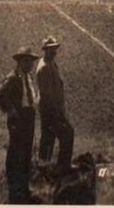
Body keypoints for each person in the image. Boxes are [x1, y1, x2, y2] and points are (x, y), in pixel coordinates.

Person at [0, 46, 41, 204]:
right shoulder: (13, 77)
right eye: (27, 61)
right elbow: (0, 95)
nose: (30, 64)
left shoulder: (27, 77)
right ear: (20, 61)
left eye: (31, 61)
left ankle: (24, 190)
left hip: (28, 117)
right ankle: (15, 193)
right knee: (17, 154)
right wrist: (12, 110)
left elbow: (30, 97)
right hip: (19, 119)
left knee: (26, 154)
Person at [36, 36, 75, 174]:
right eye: (51, 49)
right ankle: (62, 166)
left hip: (52, 109)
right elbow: (47, 95)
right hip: (50, 110)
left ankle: (45, 167)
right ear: (45, 50)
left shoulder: (51, 64)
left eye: (55, 49)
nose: (54, 52)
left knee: (48, 137)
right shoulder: (45, 68)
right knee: (67, 134)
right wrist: (58, 113)